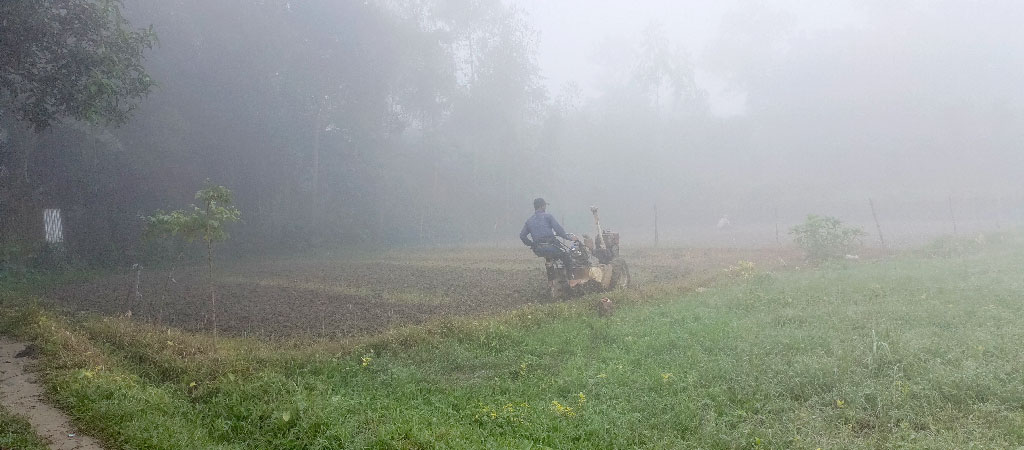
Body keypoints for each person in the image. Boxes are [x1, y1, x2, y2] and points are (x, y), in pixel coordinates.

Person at [520, 198, 577, 267]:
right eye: (545, 205)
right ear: (542, 206)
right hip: (551, 245)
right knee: (566, 257)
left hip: (538, 249)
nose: (545, 207)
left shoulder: (529, 221)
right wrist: (569, 237)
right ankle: (570, 276)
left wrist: (532, 244)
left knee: (549, 258)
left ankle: (552, 275)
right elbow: (558, 230)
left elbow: (522, 236)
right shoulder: (548, 216)